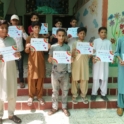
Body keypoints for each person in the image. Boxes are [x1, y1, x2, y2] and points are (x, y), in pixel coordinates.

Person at [0, 20, 21, 123]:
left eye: (5, 28)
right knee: (0, 92)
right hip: (0, 71)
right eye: (2, 27)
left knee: (12, 91)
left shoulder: (12, 40)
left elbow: (17, 54)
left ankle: (11, 114)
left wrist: (18, 55)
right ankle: (0, 115)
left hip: (11, 69)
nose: (4, 29)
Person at [48, 29, 70, 116]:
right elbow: (50, 58)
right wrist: (50, 59)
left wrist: (71, 59)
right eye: (59, 35)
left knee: (65, 90)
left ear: (65, 36)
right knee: (55, 91)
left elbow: (69, 59)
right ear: (56, 36)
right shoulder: (53, 47)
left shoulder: (67, 47)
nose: (61, 37)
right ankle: (54, 107)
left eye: (63, 35)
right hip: (55, 72)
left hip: (65, 72)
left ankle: (64, 107)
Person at [25, 21, 46, 106]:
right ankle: (31, 96)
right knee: (31, 78)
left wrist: (48, 46)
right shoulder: (29, 38)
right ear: (32, 29)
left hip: (41, 61)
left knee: (40, 78)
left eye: (38, 27)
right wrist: (27, 47)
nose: (37, 29)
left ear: (40, 29)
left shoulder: (43, 38)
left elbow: (46, 50)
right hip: (32, 61)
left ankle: (39, 96)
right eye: (35, 27)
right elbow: (26, 51)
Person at [91, 27, 112, 101]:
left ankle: (103, 94)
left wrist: (111, 59)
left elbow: (110, 53)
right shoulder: (95, 41)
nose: (103, 34)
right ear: (98, 33)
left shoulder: (108, 42)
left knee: (104, 78)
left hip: (105, 63)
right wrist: (93, 58)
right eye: (102, 32)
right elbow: (93, 51)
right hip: (97, 62)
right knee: (96, 78)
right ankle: (94, 93)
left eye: (105, 32)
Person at [71, 27, 89, 104]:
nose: (82, 35)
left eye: (83, 33)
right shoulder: (74, 43)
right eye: (80, 33)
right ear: (78, 34)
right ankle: (74, 95)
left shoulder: (88, 44)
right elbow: (71, 55)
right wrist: (73, 52)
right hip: (76, 63)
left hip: (85, 63)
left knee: (84, 79)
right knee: (75, 79)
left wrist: (91, 54)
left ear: (85, 34)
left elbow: (89, 55)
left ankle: (83, 95)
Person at [10, 14, 28, 88]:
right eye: (13, 20)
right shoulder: (8, 29)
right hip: (11, 51)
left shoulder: (21, 28)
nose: (15, 21)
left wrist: (23, 31)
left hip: (19, 50)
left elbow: (26, 38)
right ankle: (11, 81)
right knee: (11, 67)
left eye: (16, 20)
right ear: (11, 21)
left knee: (20, 67)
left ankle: (21, 81)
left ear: (18, 21)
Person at [115, 36, 124, 116]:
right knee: (122, 85)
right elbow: (117, 52)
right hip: (122, 66)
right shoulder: (120, 39)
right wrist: (121, 60)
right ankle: (120, 105)